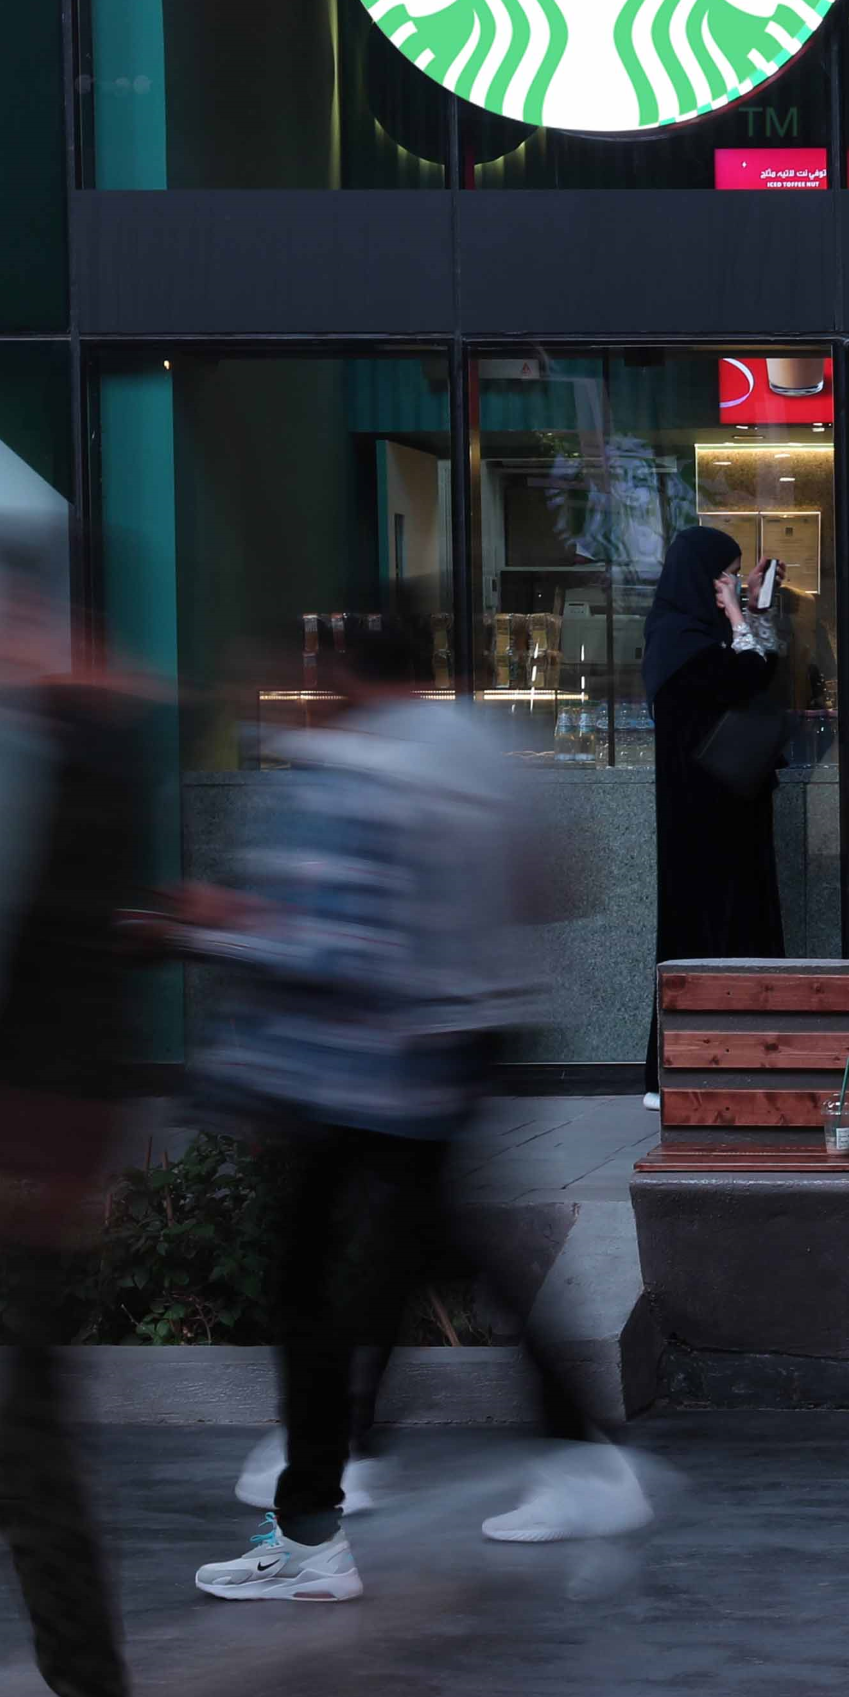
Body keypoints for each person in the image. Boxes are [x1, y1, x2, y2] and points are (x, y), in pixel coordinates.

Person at [178, 616, 649, 1609]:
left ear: (343, 671)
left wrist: (217, 927)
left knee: (331, 1268)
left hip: (372, 1054)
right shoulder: (478, 745)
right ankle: (405, 1464)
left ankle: (323, 1509)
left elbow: (332, 940)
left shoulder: (362, 767)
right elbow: (556, 878)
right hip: (465, 1032)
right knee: (423, 1247)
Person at [0, 539, 178, 1697]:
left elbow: (69, 961)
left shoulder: (90, 752)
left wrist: (40, 1154)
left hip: (49, 1144)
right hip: (45, 1138)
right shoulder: (89, 740)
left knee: (25, 1456)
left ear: (47, 620)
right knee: (24, 1452)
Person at [642, 525, 784, 1087]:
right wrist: (738, 615)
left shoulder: (689, 633)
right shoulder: (681, 641)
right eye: (722, 573)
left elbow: (760, 668)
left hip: (723, 805)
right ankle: (687, 1063)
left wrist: (752, 608)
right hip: (704, 813)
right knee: (707, 927)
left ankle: (738, 1050)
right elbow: (748, 675)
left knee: (730, 923)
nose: (728, 582)